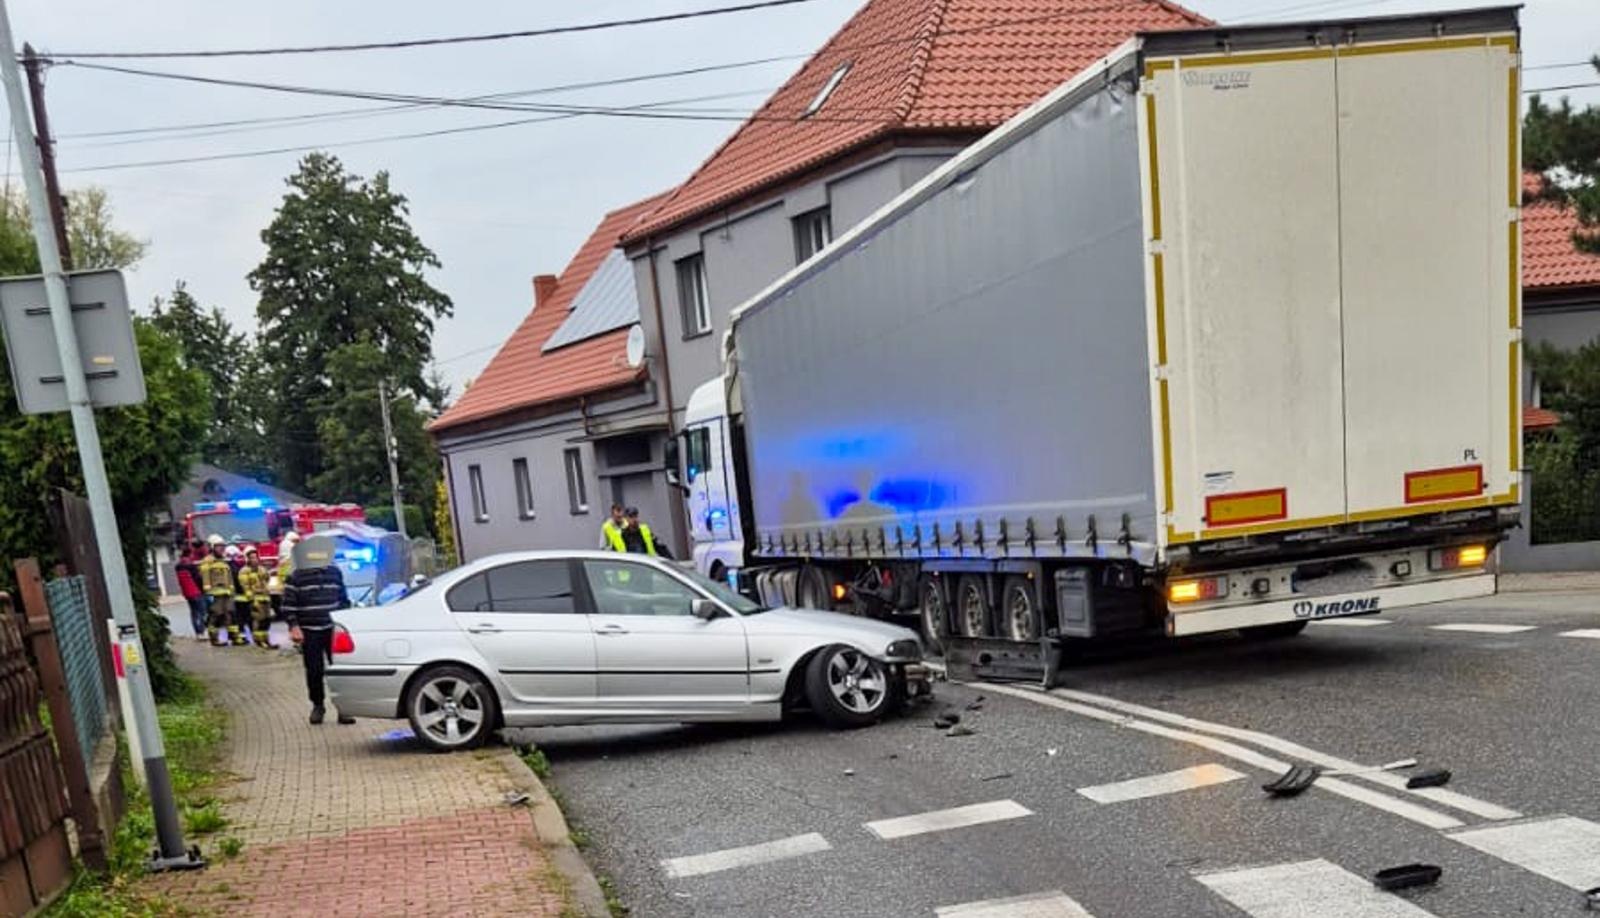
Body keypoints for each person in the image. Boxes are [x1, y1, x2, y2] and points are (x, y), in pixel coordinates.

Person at [281, 542, 354, 725]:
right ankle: (318, 705)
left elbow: (343, 600)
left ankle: (343, 709)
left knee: (340, 671)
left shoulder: (334, 573)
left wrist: (345, 623)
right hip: (309, 631)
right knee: (314, 671)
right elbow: (288, 605)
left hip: (333, 630)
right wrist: (294, 626)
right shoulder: (296, 576)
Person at [197, 535, 238, 646]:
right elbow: (204, 577)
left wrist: (232, 590)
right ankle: (214, 639)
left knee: (230, 613)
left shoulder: (224, 561)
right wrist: (208, 592)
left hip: (227, 593)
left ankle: (234, 637)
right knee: (216, 615)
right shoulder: (208, 561)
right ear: (212, 547)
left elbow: (229, 577)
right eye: (218, 546)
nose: (221, 548)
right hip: (215, 594)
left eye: (222, 546)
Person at [235, 547, 273, 649]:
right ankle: (259, 641)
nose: (255, 560)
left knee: (267, 620)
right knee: (258, 620)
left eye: (256, 557)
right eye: (252, 558)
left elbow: (267, 580)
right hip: (255, 599)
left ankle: (266, 639)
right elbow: (245, 586)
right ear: (247, 559)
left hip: (265, 598)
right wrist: (252, 600)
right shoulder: (244, 571)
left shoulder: (262, 569)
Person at [174, 541, 206, 641]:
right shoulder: (191, 566)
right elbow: (198, 579)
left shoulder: (178, 566)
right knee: (202, 612)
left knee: (194, 612)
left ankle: (198, 633)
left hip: (187, 593)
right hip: (196, 592)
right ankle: (202, 631)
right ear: (190, 554)